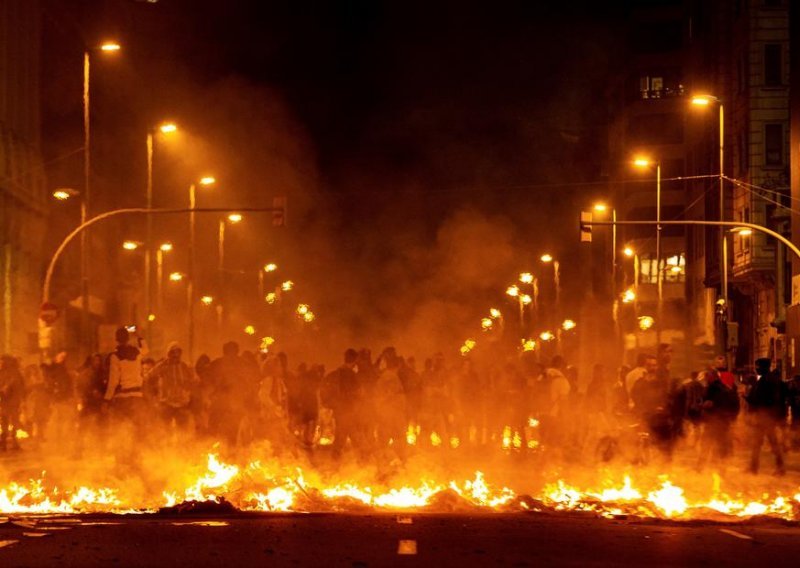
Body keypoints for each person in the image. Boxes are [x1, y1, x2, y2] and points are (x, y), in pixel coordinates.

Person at [104, 327, 148, 460]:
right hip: (137, 398)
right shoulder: (137, 353)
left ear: (116, 339)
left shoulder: (115, 356)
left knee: (121, 430)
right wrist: (140, 336)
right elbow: (146, 349)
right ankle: (137, 458)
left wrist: (106, 400)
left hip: (123, 400)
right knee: (137, 430)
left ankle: (123, 460)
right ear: (128, 339)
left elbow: (113, 381)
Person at [745, 358, 786, 475]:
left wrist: (748, 398)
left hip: (765, 416)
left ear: (763, 367)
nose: (756, 369)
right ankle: (755, 467)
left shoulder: (766, 381)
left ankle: (778, 467)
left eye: (757, 367)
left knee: (768, 443)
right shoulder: (768, 379)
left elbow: (762, 399)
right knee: (761, 443)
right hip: (766, 416)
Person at [321, 348, 362, 457]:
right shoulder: (350, 374)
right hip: (348, 410)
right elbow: (358, 392)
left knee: (348, 434)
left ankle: (361, 460)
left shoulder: (337, 373)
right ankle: (359, 459)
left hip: (339, 410)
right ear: (354, 360)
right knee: (344, 435)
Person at [697, 369, 740, 469]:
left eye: (707, 377)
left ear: (712, 376)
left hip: (713, 421)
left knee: (706, 445)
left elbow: (710, 403)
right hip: (723, 422)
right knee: (721, 445)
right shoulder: (727, 389)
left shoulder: (713, 388)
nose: (706, 379)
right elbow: (734, 406)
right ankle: (721, 467)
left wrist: (706, 405)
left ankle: (700, 467)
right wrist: (732, 418)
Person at [149, 342, 195, 433]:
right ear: (168, 354)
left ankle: (182, 446)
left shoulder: (185, 366)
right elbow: (149, 377)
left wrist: (187, 389)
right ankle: (166, 446)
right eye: (173, 352)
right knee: (165, 431)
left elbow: (195, 380)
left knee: (183, 431)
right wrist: (154, 394)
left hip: (182, 403)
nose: (175, 355)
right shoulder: (162, 366)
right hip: (166, 403)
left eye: (177, 352)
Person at [0, 355, 25, 451]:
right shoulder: (13, 373)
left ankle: (7, 443)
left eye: (2, 361)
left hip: (11, 402)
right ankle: (5, 442)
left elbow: (20, 387)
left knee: (10, 421)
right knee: (7, 421)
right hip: (7, 401)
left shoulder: (13, 373)